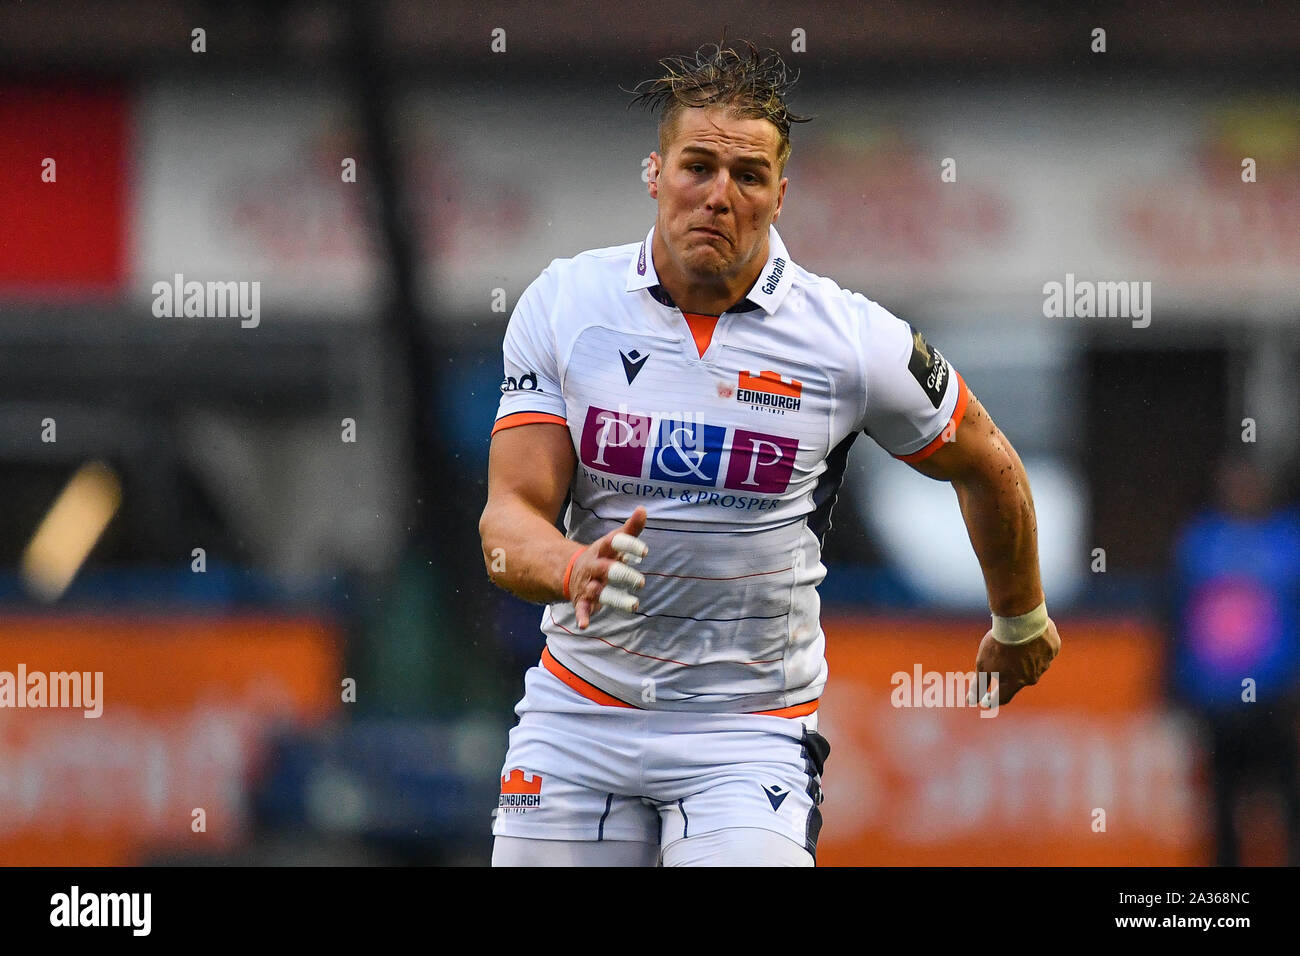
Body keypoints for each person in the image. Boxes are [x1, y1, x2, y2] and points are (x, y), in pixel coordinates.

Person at [478, 40, 1060, 867]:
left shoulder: (850, 340)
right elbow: (509, 518)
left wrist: (1021, 617)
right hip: (578, 715)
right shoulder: (565, 304)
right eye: (697, 166)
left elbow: (986, 459)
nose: (719, 196)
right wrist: (572, 569)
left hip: (747, 734)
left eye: (747, 177)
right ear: (654, 172)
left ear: (780, 195)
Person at [1168, 454, 1300, 865]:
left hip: (1273, 697)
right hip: (1217, 700)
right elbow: (1177, 619)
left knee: (1285, 796)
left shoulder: (1287, 541)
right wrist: (1176, 685)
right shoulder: (1200, 543)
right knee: (1221, 804)